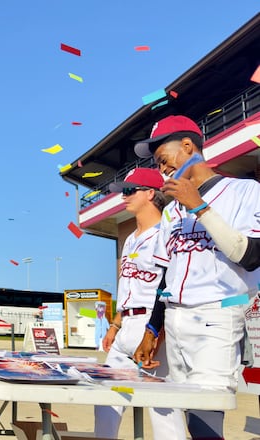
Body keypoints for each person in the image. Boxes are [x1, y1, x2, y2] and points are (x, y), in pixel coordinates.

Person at [133, 115, 260, 439]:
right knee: (184, 415)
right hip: (175, 319)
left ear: (188, 147)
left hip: (217, 315)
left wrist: (200, 206)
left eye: (164, 159)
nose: (162, 169)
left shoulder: (244, 191)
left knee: (206, 418)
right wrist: (152, 329)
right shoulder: (172, 211)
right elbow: (166, 277)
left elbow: (251, 256)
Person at [94, 168, 185, 439]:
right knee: (106, 402)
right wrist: (115, 324)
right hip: (127, 327)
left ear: (150, 193)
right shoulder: (131, 238)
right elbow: (128, 288)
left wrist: (160, 331)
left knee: (164, 410)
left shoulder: (166, 233)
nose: (123, 196)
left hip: (153, 327)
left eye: (129, 190)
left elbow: (170, 285)